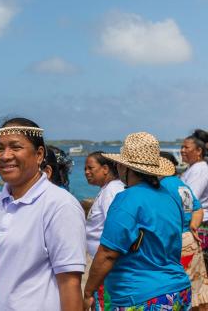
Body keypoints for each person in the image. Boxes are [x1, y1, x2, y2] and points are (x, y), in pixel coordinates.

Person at [0, 117, 86, 310]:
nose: (5, 156)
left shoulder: (59, 205)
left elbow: (70, 285)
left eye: (15, 147)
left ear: (39, 155)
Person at [84, 132, 191, 311]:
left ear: (126, 168)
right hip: (178, 290)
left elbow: (108, 253)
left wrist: (88, 292)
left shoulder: (127, 199)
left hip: (141, 295)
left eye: (119, 164)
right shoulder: (170, 197)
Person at [161, 151, 208, 310]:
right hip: (190, 238)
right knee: (197, 289)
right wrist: (193, 226)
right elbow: (198, 209)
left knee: (178, 293)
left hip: (175, 241)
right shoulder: (181, 184)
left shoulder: (163, 187)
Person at [84, 151, 125, 310]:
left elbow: (114, 228)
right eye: (85, 169)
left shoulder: (112, 190)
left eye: (90, 168)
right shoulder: (107, 189)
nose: (87, 172)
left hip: (107, 265)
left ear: (106, 168)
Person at [182, 129, 208, 270]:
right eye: (181, 147)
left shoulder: (200, 169)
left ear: (199, 151)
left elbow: (190, 199)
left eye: (186, 147)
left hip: (200, 224)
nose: (182, 150)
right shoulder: (192, 168)